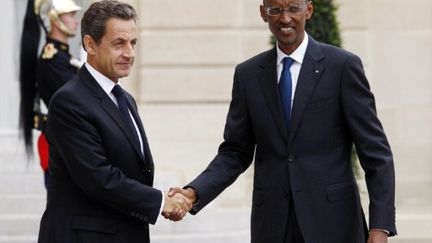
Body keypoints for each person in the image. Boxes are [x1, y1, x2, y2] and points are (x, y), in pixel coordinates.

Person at [168, 0, 397, 242]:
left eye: (293, 9)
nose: (285, 18)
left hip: (334, 224)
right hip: (272, 226)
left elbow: (375, 153)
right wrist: (194, 192)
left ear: (308, 10)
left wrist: (379, 227)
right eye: (275, 10)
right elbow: (235, 153)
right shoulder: (248, 75)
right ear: (263, 13)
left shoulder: (342, 67)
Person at [37, 1, 191, 243]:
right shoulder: (69, 101)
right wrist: (161, 201)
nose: (129, 53)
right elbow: (98, 178)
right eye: (119, 43)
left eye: (133, 43)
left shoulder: (124, 99)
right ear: (90, 44)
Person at [19, 0, 82, 187]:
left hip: (66, 143)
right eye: (71, 15)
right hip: (60, 145)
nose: (76, 21)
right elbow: (79, 100)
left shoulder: (62, 57)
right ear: (54, 18)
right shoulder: (52, 61)